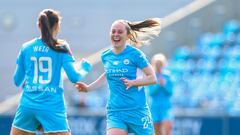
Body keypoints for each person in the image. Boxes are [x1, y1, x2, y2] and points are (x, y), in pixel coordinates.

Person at [11, 9, 91, 135]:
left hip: (28, 106)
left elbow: (16, 81)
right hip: (52, 106)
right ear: (57, 26)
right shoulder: (61, 47)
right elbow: (74, 77)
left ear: (39, 25)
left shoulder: (26, 47)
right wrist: (85, 68)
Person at [75, 18, 161, 135]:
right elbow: (108, 75)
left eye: (120, 32)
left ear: (127, 35)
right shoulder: (106, 55)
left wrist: (133, 82)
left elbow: (152, 78)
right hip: (115, 112)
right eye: (113, 31)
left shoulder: (136, 55)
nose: (116, 34)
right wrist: (88, 88)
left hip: (137, 111)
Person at [147, 53, 173, 135]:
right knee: (157, 132)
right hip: (155, 107)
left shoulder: (168, 76)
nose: (158, 66)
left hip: (166, 107)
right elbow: (151, 93)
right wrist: (158, 85)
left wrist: (164, 85)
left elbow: (170, 92)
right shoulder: (152, 76)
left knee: (167, 130)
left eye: (160, 64)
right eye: (157, 64)